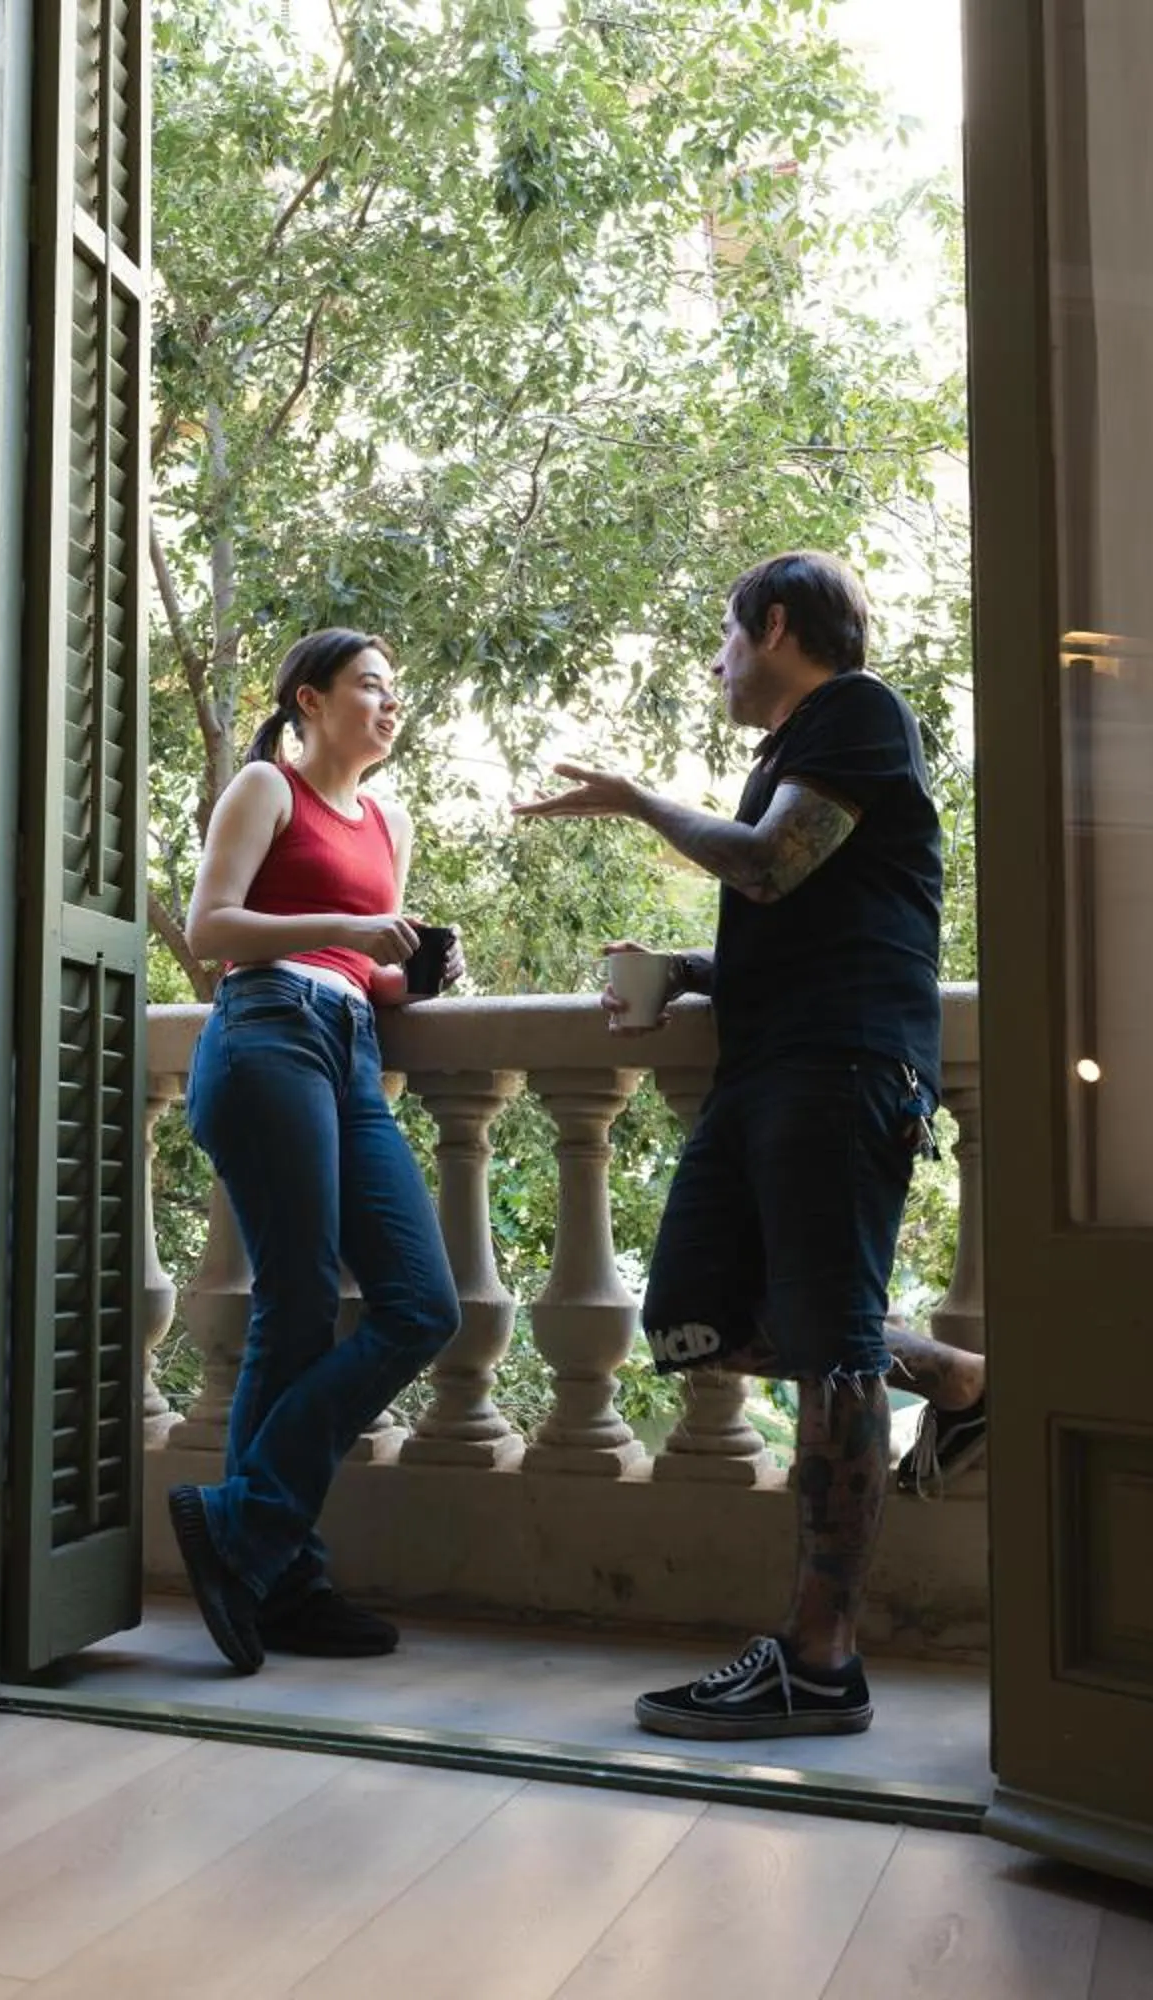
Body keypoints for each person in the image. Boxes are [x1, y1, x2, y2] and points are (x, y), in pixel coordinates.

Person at [513, 551, 983, 1739]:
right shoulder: (794, 756)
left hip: (843, 1067)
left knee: (828, 1350)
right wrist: (684, 970)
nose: (718, 662)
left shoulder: (859, 714)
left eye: (725, 637)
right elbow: (803, 912)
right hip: (771, 1067)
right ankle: (958, 1376)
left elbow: (773, 864)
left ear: (773, 624)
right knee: (691, 1314)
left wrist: (636, 800)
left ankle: (819, 1660)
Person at [166, 629, 465, 1673]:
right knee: (294, 1305)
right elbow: (211, 930)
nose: (390, 704)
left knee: (422, 1304)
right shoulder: (266, 786)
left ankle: (246, 1535)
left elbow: (367, 972)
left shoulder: (392, 819)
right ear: (310, 699)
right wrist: (351, 920)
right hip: (264, 1033)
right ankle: (280, 1573)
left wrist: (414, 973)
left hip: (348, 1047)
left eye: (397, 689)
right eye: (371, 685)